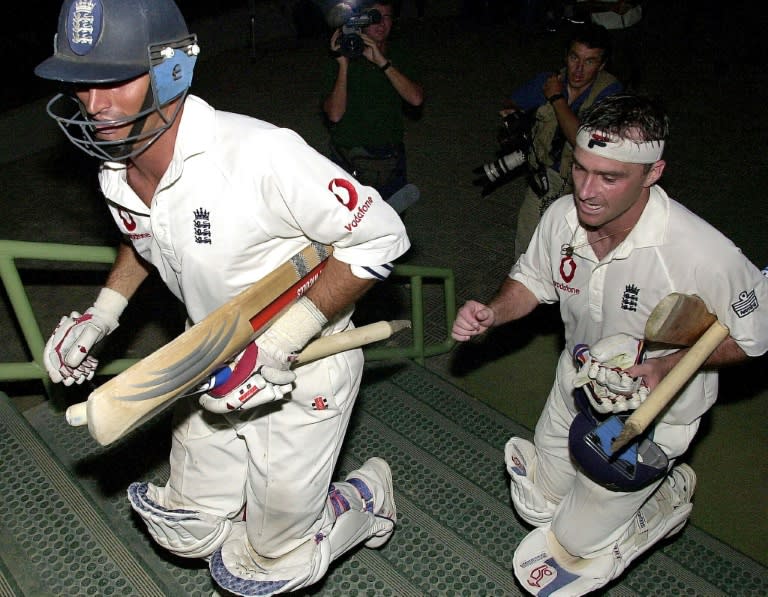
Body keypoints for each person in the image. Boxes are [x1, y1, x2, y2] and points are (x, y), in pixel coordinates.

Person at [35, 1, 410, 595]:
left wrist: (285, 339)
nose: (94, 104)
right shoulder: (115, 167)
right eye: (82, 83)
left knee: (269, 561)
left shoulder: (259, 155)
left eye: (114, 80)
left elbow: (382, 234)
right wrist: (101, 317)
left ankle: (362, 499)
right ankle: (263, 503)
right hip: (208, 358)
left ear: (172, 71)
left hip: (305, 362)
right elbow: (147, 236)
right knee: (186, 530)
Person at [451, 94, 768, 595]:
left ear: (652, 172)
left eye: (609, 177)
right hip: (575, 383)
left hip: (652, 417)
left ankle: (662, 502)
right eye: (580, 169)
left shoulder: (705, 254)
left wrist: (670, 368)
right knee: (536, 503)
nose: (586, 191)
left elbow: (754, 340)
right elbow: (532, 282)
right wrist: (495, 311)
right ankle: (607, 505)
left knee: (571, 549)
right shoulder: (560, 217)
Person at [502, 23, 622, 261]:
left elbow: (583, 142)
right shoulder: (549, 81)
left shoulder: (611, 94)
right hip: (546, 177)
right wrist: (518, 121)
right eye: (574, 58)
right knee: (527, 247)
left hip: (590, 181)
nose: (578, 70)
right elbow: (509, 106)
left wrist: (556, 99)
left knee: (577, 252)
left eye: (589, 62)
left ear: (602, 65)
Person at [322, 0, 424, 201]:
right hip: (349, 153)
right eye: (374, 17)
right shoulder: (340, 58)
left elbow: (415, 99)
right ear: (359, 21)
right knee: (350, 224)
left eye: (386, 17)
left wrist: (383, 63)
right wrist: (343, 64)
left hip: (388, 154)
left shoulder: (400, 54)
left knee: (392, 221)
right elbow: (334, 114)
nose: (381, 24)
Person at [572, 1, 645, 89]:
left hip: (635, 23)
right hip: (607, 28)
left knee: (635, 64)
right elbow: (581, 5)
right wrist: (611, 7)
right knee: (613, 69)